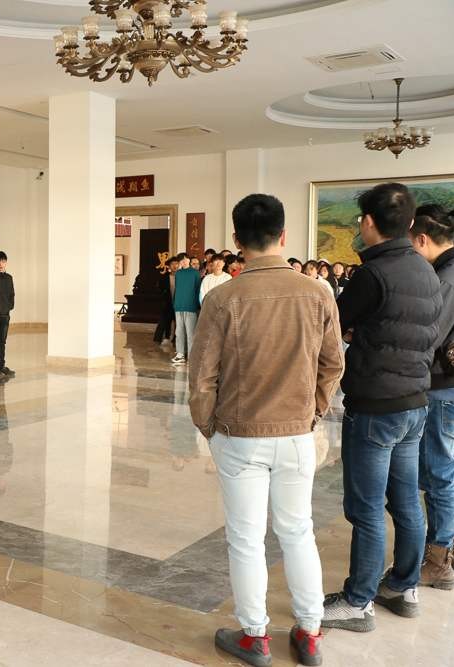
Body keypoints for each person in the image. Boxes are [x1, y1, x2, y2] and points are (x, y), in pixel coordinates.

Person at [190, 194, 343, 667]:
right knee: (298, 531)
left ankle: (255, 637)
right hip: (296, 434)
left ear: (237, 240)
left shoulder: (222, 298)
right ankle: (310, 632)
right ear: (283, 235)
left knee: (245, 538)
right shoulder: (318, 293)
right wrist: (313, 413)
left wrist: (208, 426)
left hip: (239, 434)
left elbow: (202, 376)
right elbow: (333, 365)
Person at [322, 183, 442, 632]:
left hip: (375, 406)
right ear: (410, 224)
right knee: (407, 500)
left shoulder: (373, 274)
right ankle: (403, 587)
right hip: (415, 403)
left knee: (367, 507)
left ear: (368, 223)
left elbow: (333, 324)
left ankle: (358, 601)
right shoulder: (427, 271)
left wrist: (359, 335)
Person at [408, 211, 454, 590]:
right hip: (446, 386)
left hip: (443, 387)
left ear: (423, 239)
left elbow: (430, 335)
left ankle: (439, 559)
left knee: (440, 473)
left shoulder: (448, 277)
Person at [171, 253, 201, 365]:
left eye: (185, 259)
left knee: (190, 332)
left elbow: (198, 290)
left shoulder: (195, 273)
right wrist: (175, 303)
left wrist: (197, 304)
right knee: (179, 332)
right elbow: (177, 289)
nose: (183, 262)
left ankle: (192, 356)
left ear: (189, 260)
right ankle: (180, 354)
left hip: (190, 306)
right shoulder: (178, 273)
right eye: (181, 261)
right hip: (178, 306)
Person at [153, 257, 179, 345]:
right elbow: (159, 289)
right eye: (172, 264)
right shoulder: (164, 277)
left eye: (176, 264)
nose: (175, 266)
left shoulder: (181, 277)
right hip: (167, 303)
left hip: (178, 303)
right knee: (165, 321)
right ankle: (163, 338)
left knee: (178, 323)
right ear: (169, 266)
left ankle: (175, 339)